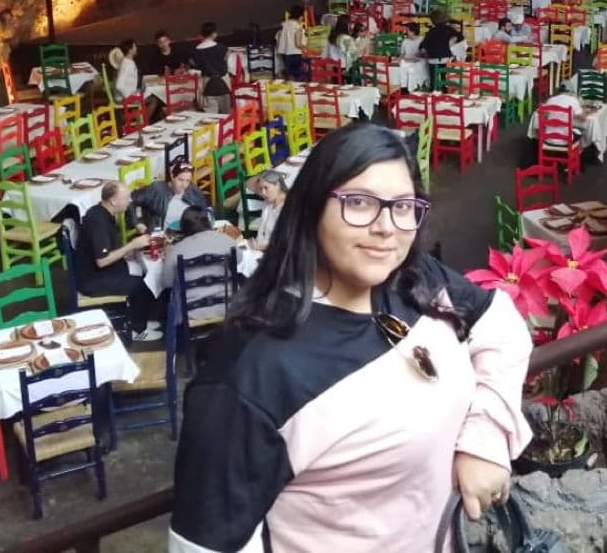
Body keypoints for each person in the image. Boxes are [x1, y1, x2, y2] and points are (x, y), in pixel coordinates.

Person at [169, 124, 532, 553]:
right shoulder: (250, 376)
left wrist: (484, 442)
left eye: (403, 206)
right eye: (358, 203)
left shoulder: (414, 281)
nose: (386, 227)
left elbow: (501, 324)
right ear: (311, 207)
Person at [75, 181, 158, 341]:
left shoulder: (102, 212)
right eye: (126, 197)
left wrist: (128, 252)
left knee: (143, 271)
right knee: (142, 285)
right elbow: (102, 261)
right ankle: (137, 330)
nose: (130, 201)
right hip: (92, 279)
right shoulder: (98, 222)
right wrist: (132, 245)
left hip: (99, 269)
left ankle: (139, 320)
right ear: (113, 201)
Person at [166, 206, 243, 322]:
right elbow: (239, 259)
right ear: (208, 222)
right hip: (227, 307)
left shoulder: (176, 250)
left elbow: (166, 282)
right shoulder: (226, 240)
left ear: (183, 227)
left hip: (192, 313)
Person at [130, 158, 211, 232]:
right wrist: (136, 223)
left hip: (189, 233)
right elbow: (130, 199)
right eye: (180, 180)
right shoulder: (156, 189)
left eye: (187, 181)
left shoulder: (192, 189)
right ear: (172, 176)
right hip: (164, 235)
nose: (184, 185)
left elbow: (205, 209)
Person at [192, 22, 230, 114]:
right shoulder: (223, 48)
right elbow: (228, 65)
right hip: (223, 82)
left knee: (210, 115)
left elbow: (194, 68)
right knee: (225, 115)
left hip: (205, 84)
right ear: (213, 33)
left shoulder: (196, 51)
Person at [420, 10, 463, 89]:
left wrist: (423, 50)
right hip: (445, 57)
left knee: (433, 78)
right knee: (444, 77)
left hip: (432, 58)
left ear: (432, 21)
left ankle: (433, 90)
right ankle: (444, 89)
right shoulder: (448, 29)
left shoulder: (431, 31)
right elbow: (460, 37)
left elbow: (423, 45)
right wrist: (452, 40)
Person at [250, 169, 288, 251]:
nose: (263, 192)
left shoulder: (286, 209)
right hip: (260, 247)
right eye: (260, 189)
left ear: (277, 185)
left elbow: (286, 243)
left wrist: (263, 247)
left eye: (266, 188)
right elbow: (247, 183)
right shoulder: (269, 201)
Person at [277, 6, 306, 81]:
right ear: (300, 16)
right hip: (294, 53)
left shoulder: (284, 24)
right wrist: (306, 48)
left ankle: (290, 90)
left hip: (284, 53)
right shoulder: (298, 26)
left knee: (289, 76)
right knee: (298, 77)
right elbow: (298, 44)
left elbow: (279, 38)